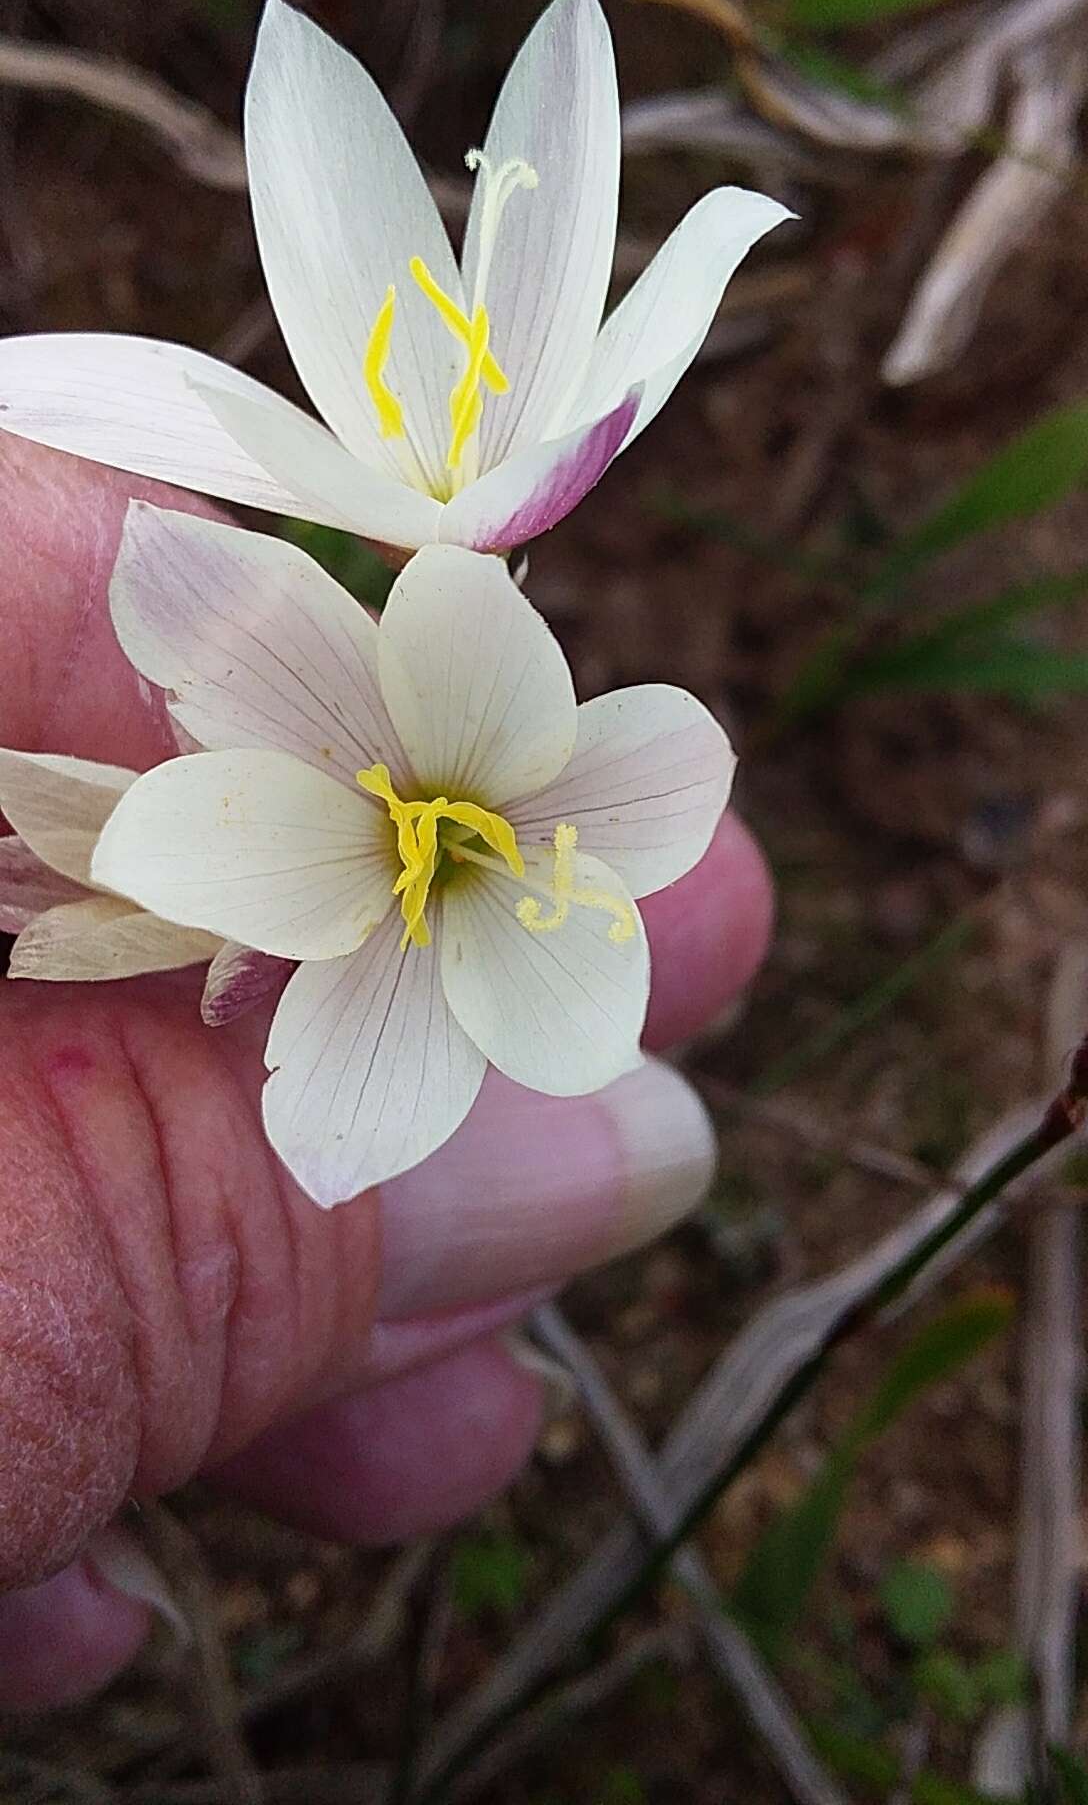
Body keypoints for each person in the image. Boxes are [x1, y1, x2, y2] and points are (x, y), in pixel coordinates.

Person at [0, 440, 773, 1709]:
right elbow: (188, 585)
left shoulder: (565, 746)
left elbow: (667, 774)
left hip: (418, 869)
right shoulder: (380, 697)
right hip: (337, 858)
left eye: (450, 838)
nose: (441, 837)